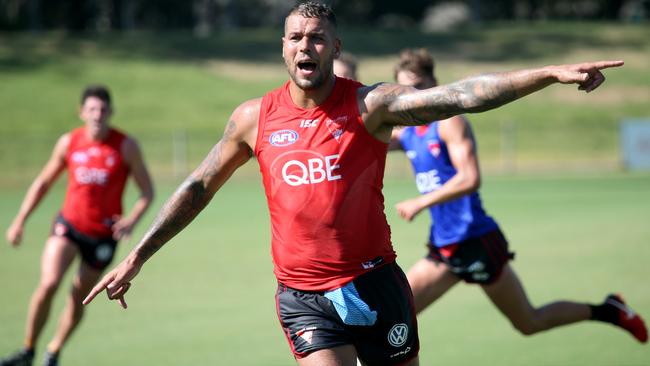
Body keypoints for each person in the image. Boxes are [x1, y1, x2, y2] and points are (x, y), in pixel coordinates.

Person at [83, 2, 625, 365]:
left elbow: (463, 95)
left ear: (335, 47)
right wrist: (138, 256)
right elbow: (197, 188)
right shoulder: (254, 118)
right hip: (303, 297)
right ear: (282, 47)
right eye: (295, 37)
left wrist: (547, 73)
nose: (305, 47)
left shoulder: (371, 106)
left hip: (376, 285)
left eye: (317, 38)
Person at [388, 48, 647, 344]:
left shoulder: (449, 123)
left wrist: (422, 201)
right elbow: (366, 136)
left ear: (435, 84)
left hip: (475, 239)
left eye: (420, 87)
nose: (416, 96)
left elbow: (470, 178)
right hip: (445, 245)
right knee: (395, 315)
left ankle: (609, 311)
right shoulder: (408, 131)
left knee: (529, 321)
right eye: (407, 90)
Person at [2, 85, 155, 366]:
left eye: (103, 109)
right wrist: (19, 220)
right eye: (92, 109)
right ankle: (27, 350)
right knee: (49, 283)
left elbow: (147, 191)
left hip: (102, 237)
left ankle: (53, 351)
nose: (98, 114)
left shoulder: (125, 146)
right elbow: (43, 183)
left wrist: (131, 219)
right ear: (82, 112)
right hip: (69, 227)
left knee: (78, 297)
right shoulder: (69, 142)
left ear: (111, 112)